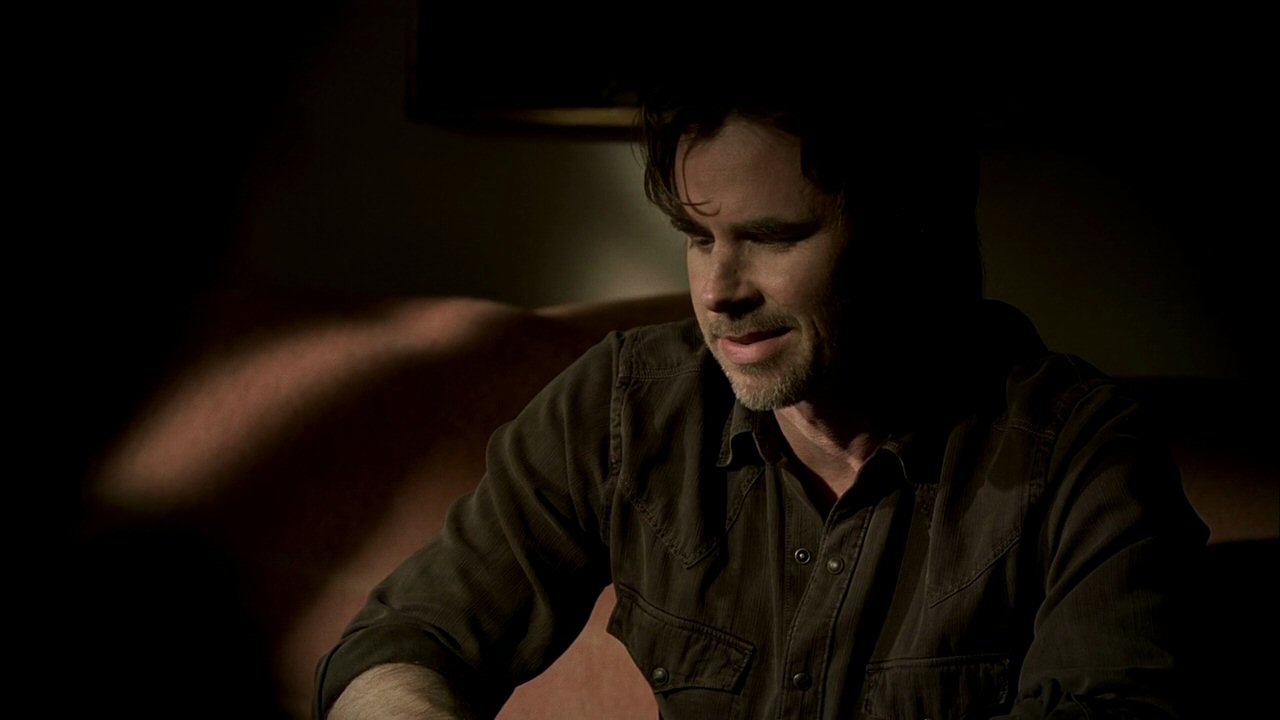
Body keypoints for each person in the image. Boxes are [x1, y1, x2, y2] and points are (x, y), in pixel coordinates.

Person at [313, 72, 1208, 719]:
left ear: (907, 232)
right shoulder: (627, 409)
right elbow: (402, 644)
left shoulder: (1080, 459)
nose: (718, 291)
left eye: (774, 238)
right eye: (698, 237)